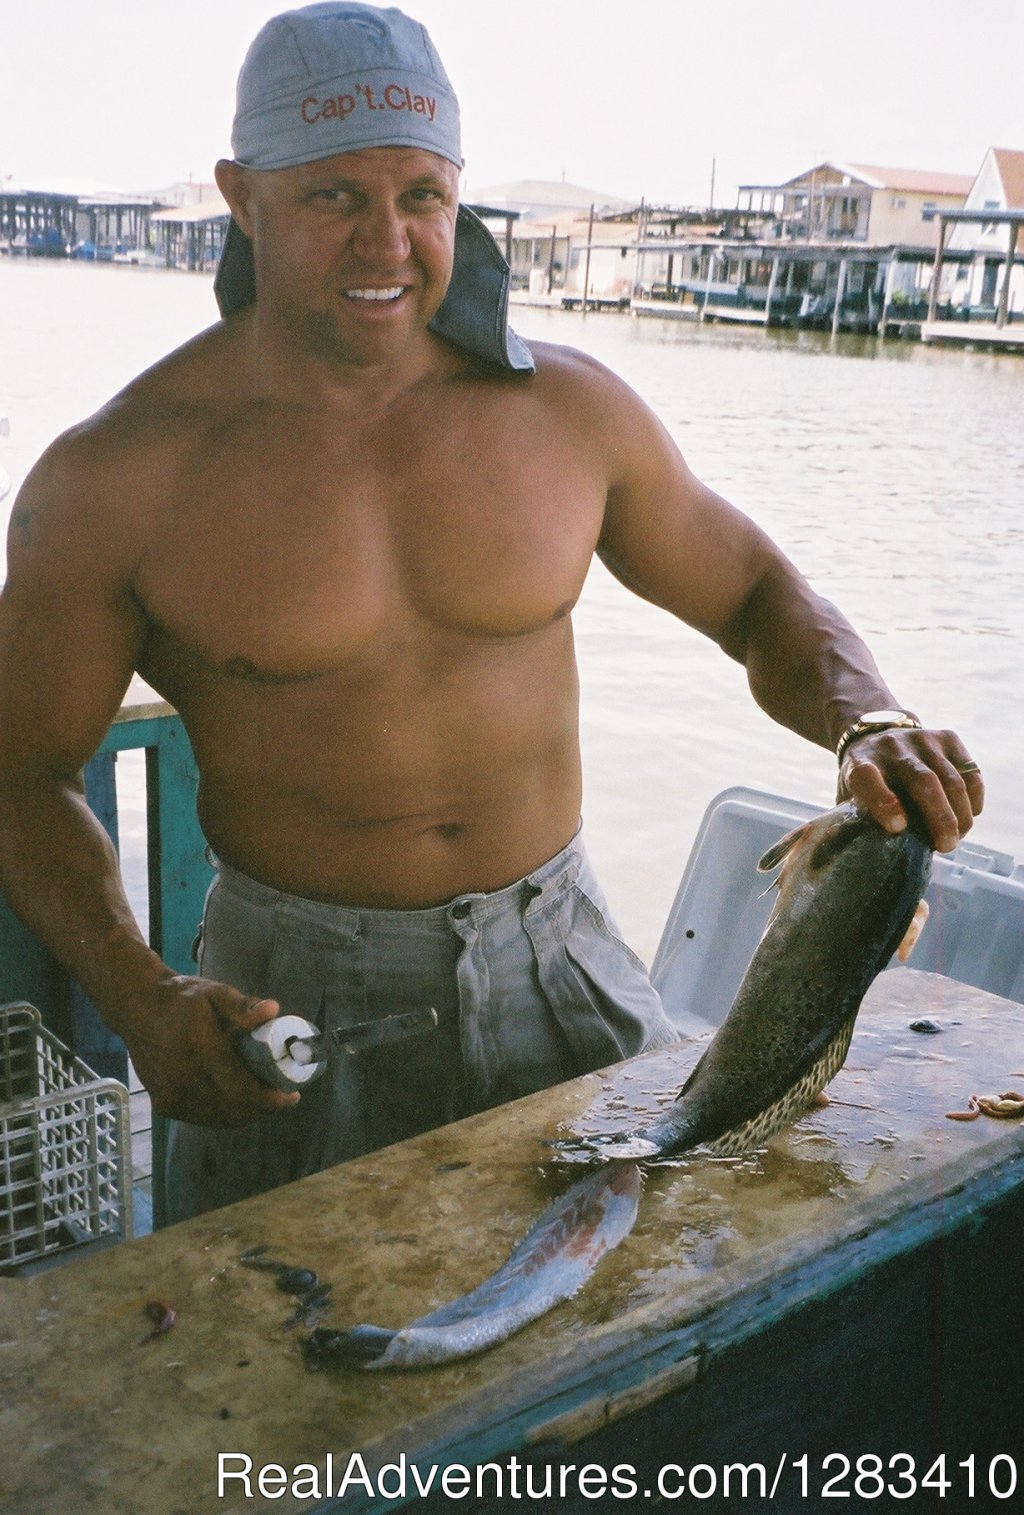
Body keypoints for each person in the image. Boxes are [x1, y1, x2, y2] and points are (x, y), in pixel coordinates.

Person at [0, 3, 983, 1223]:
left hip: (561, 955)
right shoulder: (115, 479)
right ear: (240, 198)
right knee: (297, 1367)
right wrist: (141, 997)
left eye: (422, 194)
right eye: (332, 198)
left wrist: (865, 718)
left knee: (643, 1304)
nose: (389, 241)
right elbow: (22, 771)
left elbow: (756, 594)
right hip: (295, 998)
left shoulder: (569, 416)